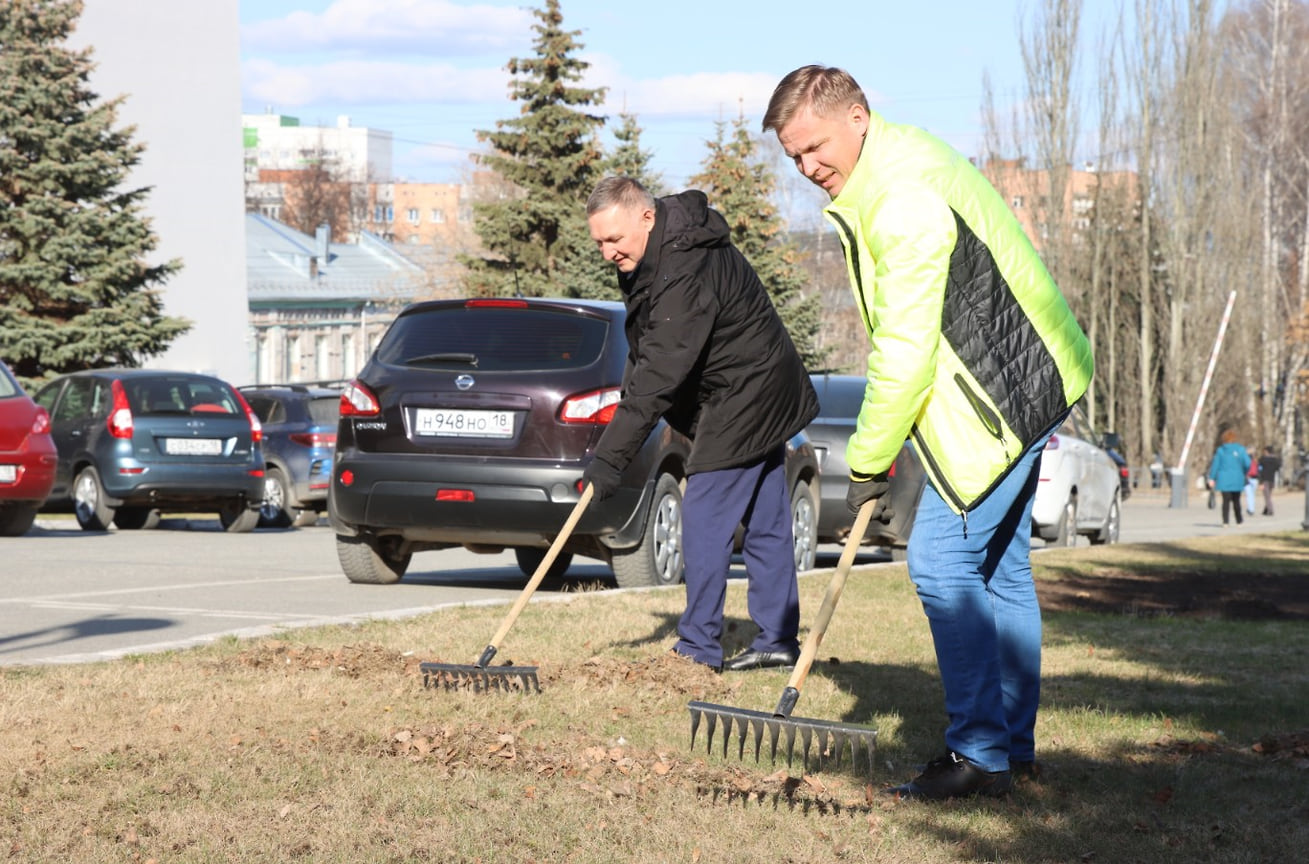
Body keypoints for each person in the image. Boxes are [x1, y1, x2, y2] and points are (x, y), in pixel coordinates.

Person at [763, 66, 1094, 800]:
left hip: (1004, 397)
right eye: (793, 157)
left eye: (814, 147)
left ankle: (978, 754)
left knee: (941, 565)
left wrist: (868, 460)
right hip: (1039, 375)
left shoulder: (899, 199)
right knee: (1000, 571)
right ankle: (1011, 749)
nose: (808, 167)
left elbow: (905, 350)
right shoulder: (893, 164)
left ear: (856, 116)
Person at [582, 176, 820, 673]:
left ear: (646, 217)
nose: (607, 253)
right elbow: (648, 347)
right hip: (753, 384)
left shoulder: (683, 265)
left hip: (747, 390)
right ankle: (776, 638)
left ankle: (697, 647)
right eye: (599, 242)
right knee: (766, 518)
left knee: (705, 516)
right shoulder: (655, 253)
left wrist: (609, 458)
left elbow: (661, 370)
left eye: (614, 240)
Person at [1207, 429, 1251, 526]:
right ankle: (1239, 520)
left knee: (1225, 501)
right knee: (1236, 500)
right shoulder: (1240, 449)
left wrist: (1212, 478)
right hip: (1237, 478)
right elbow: (1247, 463)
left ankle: (1225, 521)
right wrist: (1244, 471)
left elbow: (1215, 465)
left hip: (1224, 479)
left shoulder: (1220, 450)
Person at [1257, 445, 1282, 516]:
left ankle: (1270, 510)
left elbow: (1259, 470)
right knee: (1268, 495)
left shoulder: (1262, 459)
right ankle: (1265, 510)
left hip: (1264, 479)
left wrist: (1260, 481)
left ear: (1266, 451)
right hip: (1272, 479)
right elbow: (1278, 467)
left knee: (1267, 496)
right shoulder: (1275, 460)